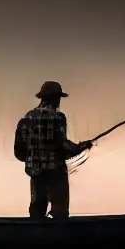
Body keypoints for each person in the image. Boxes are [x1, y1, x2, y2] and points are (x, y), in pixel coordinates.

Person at [14, 81, 92, 218]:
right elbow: (62, 147)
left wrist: (34, 157)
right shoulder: (58, 118)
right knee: (60, 214)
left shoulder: (26, 119)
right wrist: (81, 147)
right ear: (56, 99)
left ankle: (36, 235)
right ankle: (58, 236)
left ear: (42, 98)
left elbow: (19, 152)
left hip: (36, 176)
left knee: (37, 213)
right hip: (56, 175)